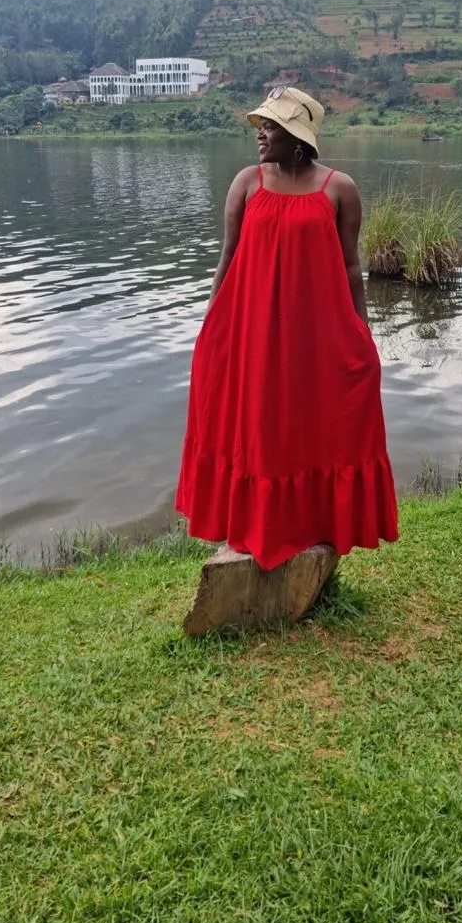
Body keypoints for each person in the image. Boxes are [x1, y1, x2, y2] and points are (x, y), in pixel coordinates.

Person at [175, 86, 398, 569]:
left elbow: (350, 268)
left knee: (309, 424)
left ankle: (314, 529)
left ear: (297, 137)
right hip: (249, 332)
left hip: (315, 338)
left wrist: (364, 333)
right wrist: (211, 324)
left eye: (271, 126)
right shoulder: (247, 183)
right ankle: (256, 529)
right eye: (261, 125)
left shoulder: (339, 189)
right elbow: (226, 259)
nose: (261, 134)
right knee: (257, 428)